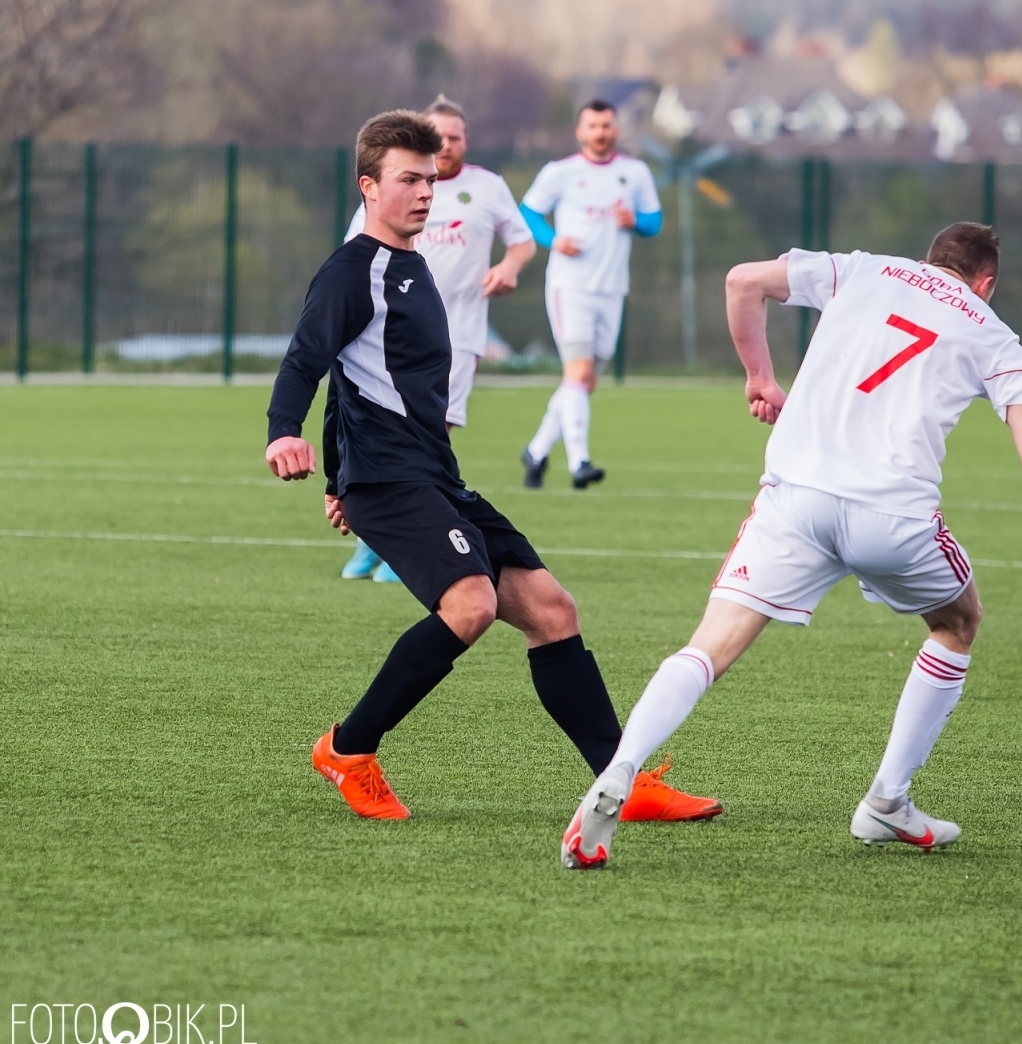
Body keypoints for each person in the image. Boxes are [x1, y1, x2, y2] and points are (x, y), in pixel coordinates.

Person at [558, 223, 1022, 870]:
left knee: (710, 644)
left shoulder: (864, 269)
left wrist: (760, 376)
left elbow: (741, 281)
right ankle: (887, 799)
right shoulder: (990, 329)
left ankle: (621, 766)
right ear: (986, 283)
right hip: (891, 515)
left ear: (929, 259)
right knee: (958, 621)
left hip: (795, 498)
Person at [265, 110, 719, 824]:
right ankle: (348, 749)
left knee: (552, 609)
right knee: (470, 605)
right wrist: (283, 435)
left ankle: (619, 781)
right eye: (408, 179)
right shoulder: (354, 269)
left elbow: (353, 379)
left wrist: (331, 477)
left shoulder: (410, 265)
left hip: (430, 473)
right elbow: (307, 360)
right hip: (389, 477)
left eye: (430, 178)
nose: (425, 192)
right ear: (368, 186)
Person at [341, 96, 536, 584]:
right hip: (392, 339)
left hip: (460, 335)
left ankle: (396, 549)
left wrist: (509, 266)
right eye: (438, 135)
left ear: (466, 141)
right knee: (390, 434)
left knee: (435, 437)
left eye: (455, 136)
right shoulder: (394, 186)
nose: (446, 145)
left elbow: (524, 239)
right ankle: (375, 541)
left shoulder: (487, 187)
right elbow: (354, 250)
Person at [518, 100, 662, 490]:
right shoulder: (561, 172)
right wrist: (553, 239)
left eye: (607, 125)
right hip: (571, 286)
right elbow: (528, 212)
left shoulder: (634, 173)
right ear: (580, 132)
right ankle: (579, 462)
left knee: (582, 382)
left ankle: (536, 450)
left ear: (616, 130)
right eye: (593, 126)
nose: (601, 132)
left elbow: (655, 221)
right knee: (578, 373)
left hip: (612, 288)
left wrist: (636, 221)